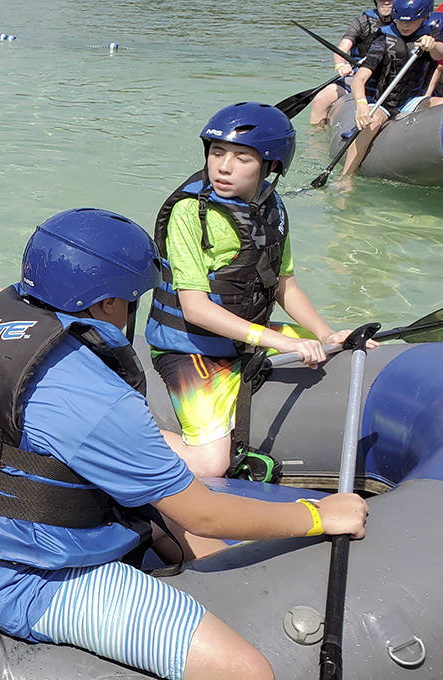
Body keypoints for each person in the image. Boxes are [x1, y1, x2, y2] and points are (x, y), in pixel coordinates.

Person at [0, 208, 368, 680]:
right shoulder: (98, 401)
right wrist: (319, 515)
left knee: (189, 536)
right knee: (247, 671)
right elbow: (204, 512)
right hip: (34, 582)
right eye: (136, 297)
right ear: (106, 303)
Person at [145, 103, 376, 478]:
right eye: (217, 153)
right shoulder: (190, 214)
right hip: (189, 348)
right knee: (211, 463)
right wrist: (279, 341)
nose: (223, 167)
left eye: (242, 158)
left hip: (245, 341)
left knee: (338, 355)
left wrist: (326, 333)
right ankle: (128, 434)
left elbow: (285, 285)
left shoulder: (272, 208)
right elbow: (194, 309)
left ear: (270, 166)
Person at [343, 0, 443, 175]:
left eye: (411, 21)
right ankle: (346, 177)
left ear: (424, 18)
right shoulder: (383, 40)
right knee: (372, 123)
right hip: (384, 103)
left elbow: (440, 54)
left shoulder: (428, 38)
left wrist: (433, 45)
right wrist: (361, 104)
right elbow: (359, 79)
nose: (405, 25)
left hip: (413, 102)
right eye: (400, 20)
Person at [310, 0, 396, 125]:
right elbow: (341, 50)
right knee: (320, 99)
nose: (386, 2)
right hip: (357, 77)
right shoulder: (362, 22)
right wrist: (341, 65)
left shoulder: (405, 24)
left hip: (387, 79)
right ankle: (316, 139)